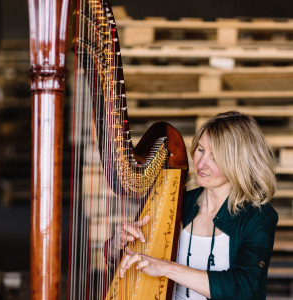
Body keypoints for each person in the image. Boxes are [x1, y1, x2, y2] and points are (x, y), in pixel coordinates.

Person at [110, 111, 278, 299]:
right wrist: (116, 246)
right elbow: (127, 265)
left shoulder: (258, 217)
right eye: (200, 150)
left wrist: (166, 268)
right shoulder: (176, 201)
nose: (201, 164)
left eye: (215, 157)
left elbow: (246, 287)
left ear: (237, 162)